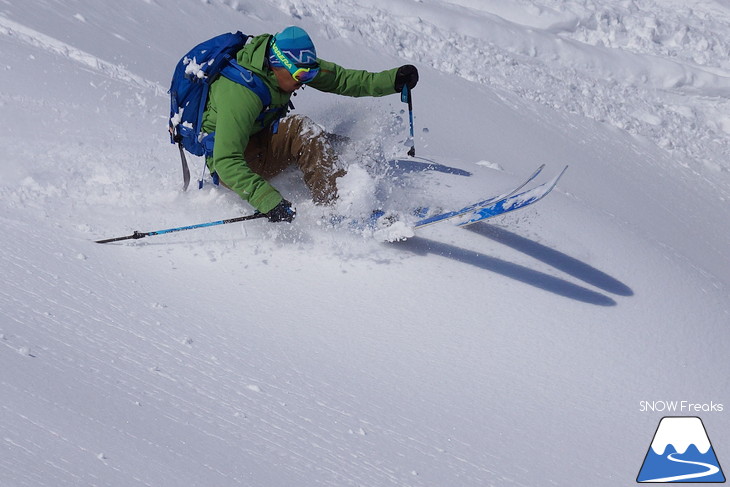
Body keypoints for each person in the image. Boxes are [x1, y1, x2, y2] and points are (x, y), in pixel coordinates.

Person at [201, 26, 419, 222]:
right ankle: (338, 208)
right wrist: (268, 201)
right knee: (302, 130)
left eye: (311, 74)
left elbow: (341, 79)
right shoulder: (241, 94)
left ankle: (364, 196)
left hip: (260, 139)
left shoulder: (291, 65)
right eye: (302, 75)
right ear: (278, 64)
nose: (304, 81)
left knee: (343, 148)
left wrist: (392, 81)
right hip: (235, 165)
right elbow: (226, 161)